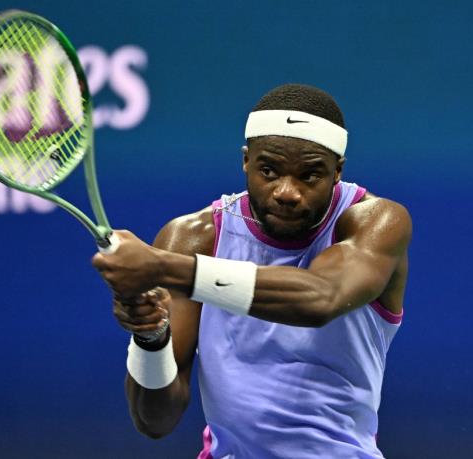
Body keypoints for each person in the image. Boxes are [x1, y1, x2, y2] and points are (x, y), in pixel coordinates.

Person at [92, 84, 412, 458]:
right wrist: (150, 338)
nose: (286, 191)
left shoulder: (376, 222)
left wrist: (163, 266)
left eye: (309, 175)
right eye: (269, 170)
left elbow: (321, 297)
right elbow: (155, 421)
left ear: (337, 171)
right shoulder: (192, 238)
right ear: (246, 161)